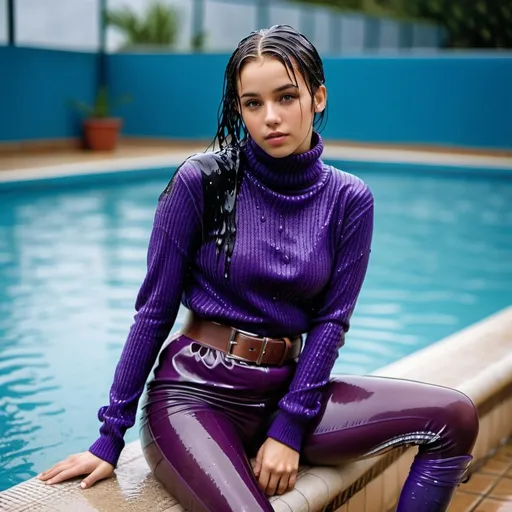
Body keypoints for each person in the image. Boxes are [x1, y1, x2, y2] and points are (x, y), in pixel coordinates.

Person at [38, 25, 479, 511]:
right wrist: (110, 435)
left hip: (286, 393)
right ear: (240, 109)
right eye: (252, 103)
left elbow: (331, 322)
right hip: (194, 396)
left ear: (318, 98)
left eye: (286, 97)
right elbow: (153, 312)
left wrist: (288, 429)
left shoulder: (349, 199)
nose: (270, 117)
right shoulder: (201, 181)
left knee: (454, 417)